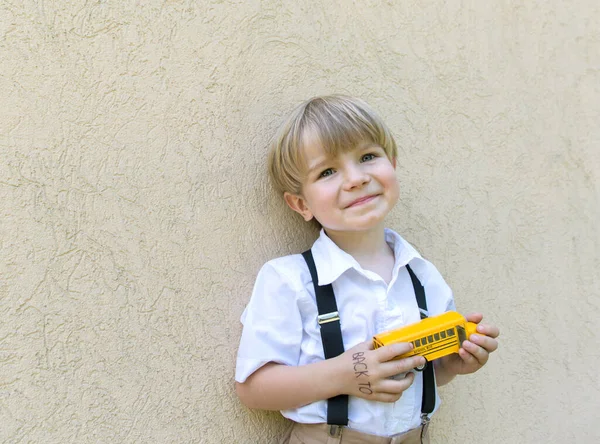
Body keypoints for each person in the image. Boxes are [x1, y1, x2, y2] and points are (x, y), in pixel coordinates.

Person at [235, 95, 500, 444]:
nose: (356, 178)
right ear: (301, 204)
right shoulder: (289, 280)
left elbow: (421, 371)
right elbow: (254, 389)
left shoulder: (423, 276)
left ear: (392, 163)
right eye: (328, 171)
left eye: (367, 157)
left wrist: (452, 365)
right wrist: (344, 375)